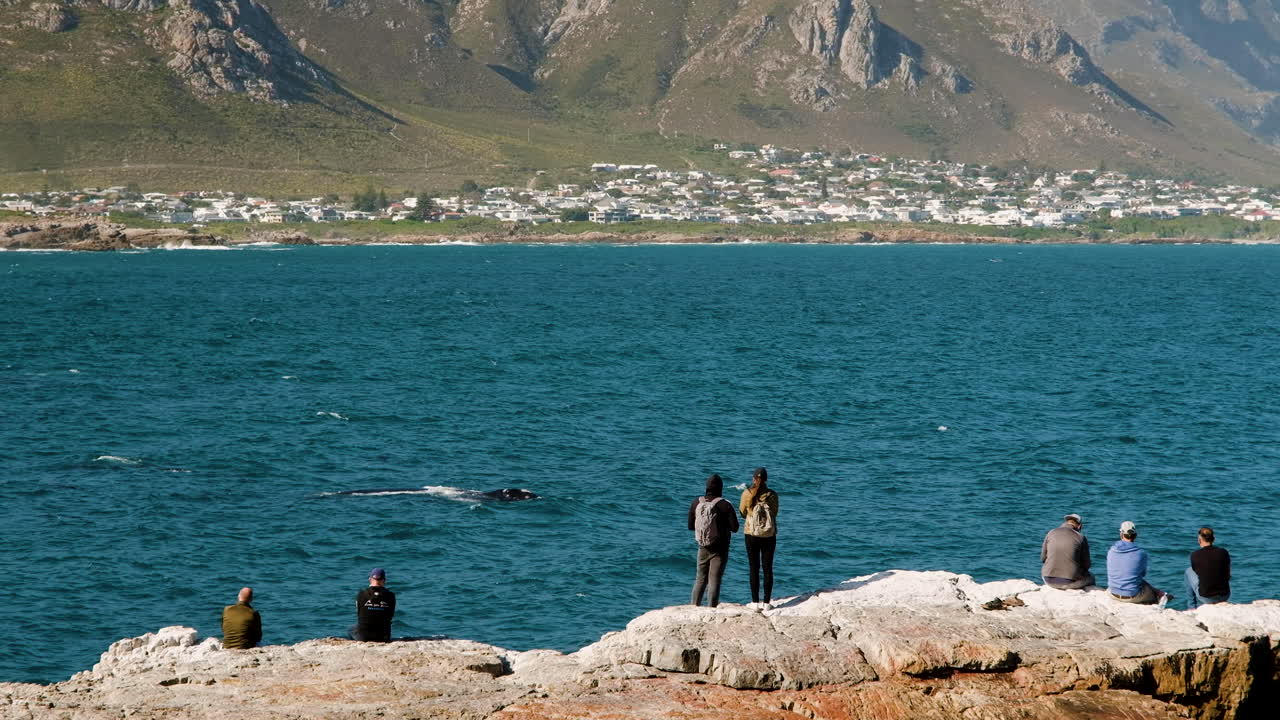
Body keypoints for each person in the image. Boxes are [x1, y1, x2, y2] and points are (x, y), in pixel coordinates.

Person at [688, 473, 738, 607]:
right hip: (720, 547)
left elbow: (690, 526)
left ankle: (694, 606)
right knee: (714, 580)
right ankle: (711, 608)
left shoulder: (696, 503)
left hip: (703, 545)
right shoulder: (725, 505)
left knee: (700, 579)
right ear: (721, 488)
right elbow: (735, 528)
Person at [739, 467, 779, 608]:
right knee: (768, 568)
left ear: (753, 479)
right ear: (766, 479)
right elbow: (774, 513)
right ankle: (767, 603)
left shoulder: (747, 494)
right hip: (769, 535)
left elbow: (742, 513)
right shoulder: (772, 495)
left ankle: (755, 603)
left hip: (751, 534)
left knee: (753, 567)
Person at [1106, 521, 1171, 605]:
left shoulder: (1111, 551)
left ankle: (1160, 592)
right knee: (1150, 593)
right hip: (1132, 596)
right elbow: (1142, 574)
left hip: (1112, 593)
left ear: (1121, 534)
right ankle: (1160, 597)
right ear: (1135, 536)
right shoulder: (1141, 553)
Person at [1040, 513, 1095, 590]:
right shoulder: (1081, 537)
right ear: (1079, 526)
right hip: (1069, 582)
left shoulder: (1051, 532)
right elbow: (1087, 565)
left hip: (1047, 579)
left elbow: (1042, 558)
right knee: (1091, 577)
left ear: (1065, 522)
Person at [1185, 526, 1230, 609]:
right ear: (1213, 539)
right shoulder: (1223, 552)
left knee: (1188, 571)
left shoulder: (1195, 555)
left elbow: (1197, 572)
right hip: (1225, 595)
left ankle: (1191, 608)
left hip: (1207, 598)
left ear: (1199, 540)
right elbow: (1228, 575)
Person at [349, 568, 396, 642]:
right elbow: (391, 615)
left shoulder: (361, 594)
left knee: (351, 629)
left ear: (370, 579)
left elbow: (359, 612)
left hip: (364, 637)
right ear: (384, 580)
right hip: (383, 637)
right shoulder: (391, 595)